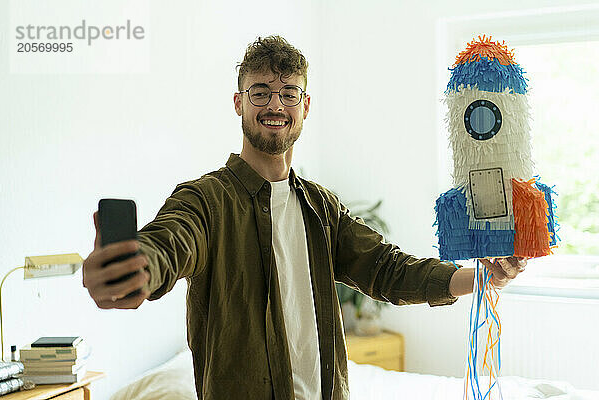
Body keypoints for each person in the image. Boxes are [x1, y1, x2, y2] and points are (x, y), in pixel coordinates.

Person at [82, 36, 526, 400]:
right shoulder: (206, 199)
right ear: (239, 102)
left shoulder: (321, 207)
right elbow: (171, 241)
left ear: (305, 105)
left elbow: (385, 269)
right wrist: (135, 269)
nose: (275, 104)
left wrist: (482, 278)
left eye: (288, 93)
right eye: (260, 92)